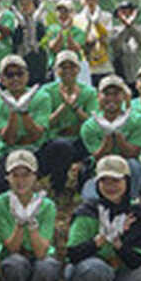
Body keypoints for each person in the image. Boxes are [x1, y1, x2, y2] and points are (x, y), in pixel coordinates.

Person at [0, 149, 67, 281]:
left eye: (26, 175)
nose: (21, 181)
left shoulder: (47, 206)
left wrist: (31, 224)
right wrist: (19, 222)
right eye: (15, 175)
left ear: (35, 177)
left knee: (46, 267)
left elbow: (40, 253)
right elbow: (12, 248)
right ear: (7, 177)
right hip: (13, 256)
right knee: (15, 264)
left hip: (39, 255)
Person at [0, 55, 52, 196]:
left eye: (19, 74)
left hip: (37, 149)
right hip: (9, 153)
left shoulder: (42, 97)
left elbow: (36, 135)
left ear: (27, 75)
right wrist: (14, 111)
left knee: (61, 148)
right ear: (2, 79)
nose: (15, 78)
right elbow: (9, 140)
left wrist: (24, 111)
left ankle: (56, 188)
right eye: (9, 75)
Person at [78, 75, 141, 202]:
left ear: (123, 96)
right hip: (101, 169)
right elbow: (98, 156)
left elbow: (132, 153)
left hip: (127, 167)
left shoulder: (138, 120)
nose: (111, 98)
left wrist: (117, 133)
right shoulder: (89, 125)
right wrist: (107, 134)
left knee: (134, 165)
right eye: (106, 94)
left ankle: (132, 201)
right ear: (99, 97)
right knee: (91, 198)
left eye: (116, 94)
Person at [39, 49, 97, 198]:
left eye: (72, 67)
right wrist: (64, 106)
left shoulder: (89, 92)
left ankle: (84, 188)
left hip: (80, 141)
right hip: (54, 142)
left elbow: (93, 123)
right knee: (61, 146)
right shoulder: (46, 92)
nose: (68, 71)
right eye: (63, 67)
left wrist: (75, 107)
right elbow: (44, 124)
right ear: (56, 70)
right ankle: (58, 188)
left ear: (78, 69)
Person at [108, 0, 141, 91]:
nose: (127, 15)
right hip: (122, 77)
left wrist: (129, 24)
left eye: (129, 12)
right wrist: (127, 25)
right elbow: (116, 45)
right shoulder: (114, 31)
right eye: (123, 12)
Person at [77, 0, 113, 86]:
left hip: (104, 65)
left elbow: (107, 39)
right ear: (81, 0)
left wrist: (96, 23)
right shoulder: (76, 19)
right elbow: (79, 41)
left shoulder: (106, 16)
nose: (90, 1)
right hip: (85, 65)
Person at [10, 0, 47, 85]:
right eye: (22, 4)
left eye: (28, 4)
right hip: (21, 63)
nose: (25, 7)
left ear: (35, 5)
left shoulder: (42, 23)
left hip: (39, 65)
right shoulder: (15, 23)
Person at [43, 0, 85, 73]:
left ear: (72, 13)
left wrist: (67, 31)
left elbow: (73, 48)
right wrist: (61, 31)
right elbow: (55, 48)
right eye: (60, 12)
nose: (62, 14)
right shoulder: (52, 29)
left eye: (65, 11)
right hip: (55, 67)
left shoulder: (79, 32)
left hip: (74, 68)